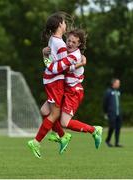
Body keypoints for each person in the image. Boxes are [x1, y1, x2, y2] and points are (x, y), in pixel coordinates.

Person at [28, 12, 79, 159]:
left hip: (49, 80)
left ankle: (62, 136)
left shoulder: (52, 40)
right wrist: (78, 63)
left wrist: (44, 56)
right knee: (55, 114)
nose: (65, 24)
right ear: (59, 25)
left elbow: (50, 64)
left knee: (45, 111)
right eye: (64, 22)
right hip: (56, 82)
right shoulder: (61, 44)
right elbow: (60, 67)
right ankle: (36, 142)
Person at [42, 29, 103, 149]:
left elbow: (60, 68)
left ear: (79, 44)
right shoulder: (65, 50)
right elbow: (53, 59)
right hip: (63, 89)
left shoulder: (75, 56)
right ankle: (59, 135)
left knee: (65, 122)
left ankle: (94, 130)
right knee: (44, 111)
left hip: (73, 92)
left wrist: (81, 63)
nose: (70, 43)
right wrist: (45, 52)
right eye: (68, 40)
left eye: (74, 42)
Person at [103, 78, 122, 147]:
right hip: (111, 113)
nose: (119, 84)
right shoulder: (108, 91)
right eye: (118, 83)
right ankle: (107, 140)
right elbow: (104, 103)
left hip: (118, 113)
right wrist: (105, 113)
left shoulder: (118, 92)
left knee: (118, 128)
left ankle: (117, 142)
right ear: (113, 83)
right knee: (112, 127)